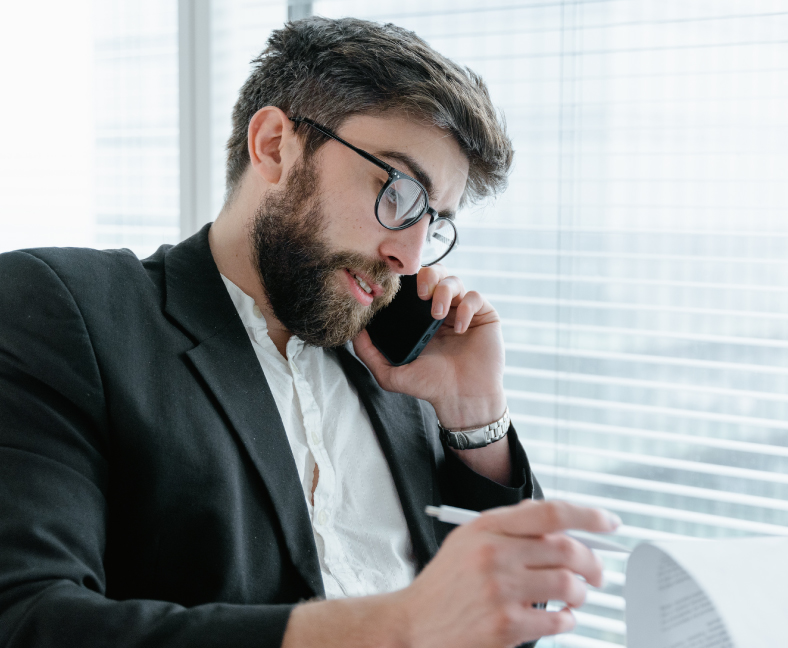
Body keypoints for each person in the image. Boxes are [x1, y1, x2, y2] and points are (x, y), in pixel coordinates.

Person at [0, 16, 618, 648]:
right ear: (273, 145)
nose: (410, 255)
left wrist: (473, 412)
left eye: (432, 221)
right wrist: (394, 627)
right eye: (399, 191)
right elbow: (28, 619)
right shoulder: (66, 306)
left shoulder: (403, 363)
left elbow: (520, 620)